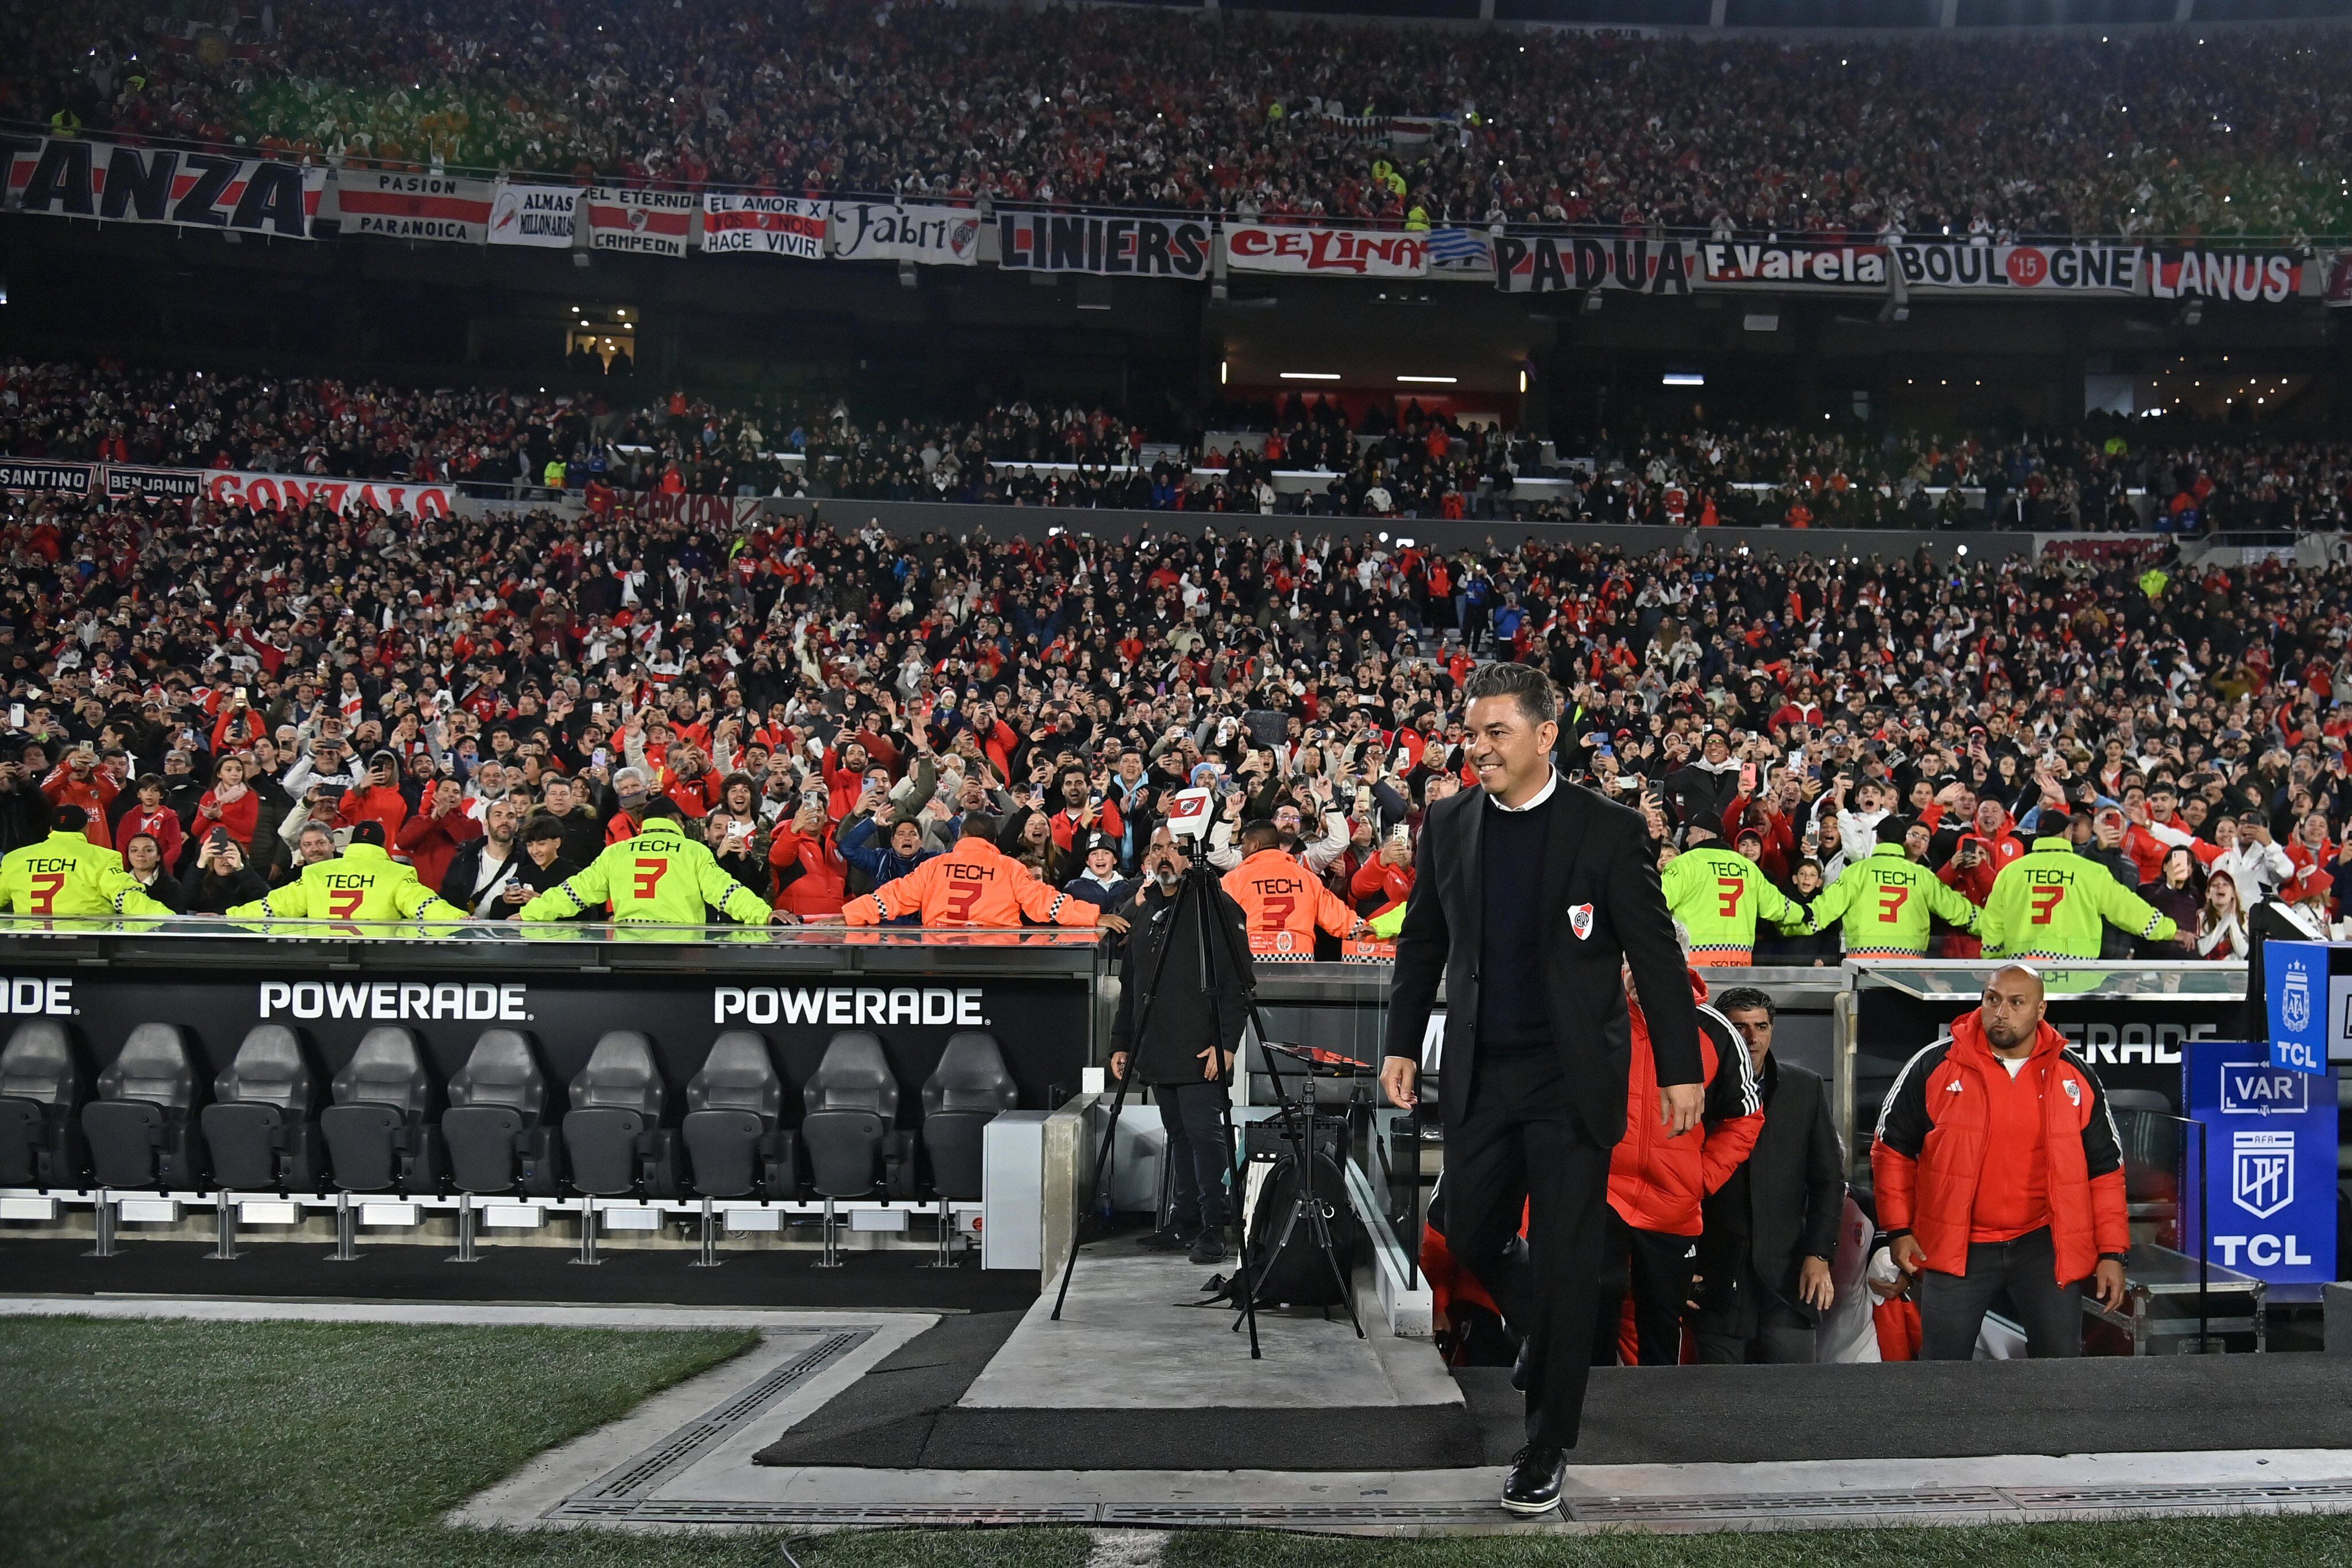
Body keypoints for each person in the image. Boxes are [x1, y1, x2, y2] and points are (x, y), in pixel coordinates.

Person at [1380, 663, 1703, 1517]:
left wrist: (1680, 1066)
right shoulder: (1447, 823)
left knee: (1566, 1264)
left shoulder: (1607, 829)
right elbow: (1421, 945)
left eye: (1495, 733)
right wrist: (1401, 1044)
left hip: (1572, 1081)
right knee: (1467, 1225)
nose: (1477, 747)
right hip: (1482, 1073)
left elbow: (1656, 955)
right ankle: (1538, 1328)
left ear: (1544, 736)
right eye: (1472, 732)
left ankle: (1546, 1441)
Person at [1871, 964, 2129, 1360]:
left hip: (2044, 1246)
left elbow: (2106, 1171)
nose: (2000, 1011)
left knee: (2060, 1370)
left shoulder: (2073, 1074)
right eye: (1992, 999)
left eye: (2016, 1002)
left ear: (2040, 1009)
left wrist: (2112, 1253)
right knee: (1940, 1375)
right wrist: (1899, 1229)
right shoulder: (1935, 1064)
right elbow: (1892, 1151)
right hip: (1958, 1246)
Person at [1598, 963, 1761, 1366]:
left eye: (1648, 960)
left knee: (1661, 1328)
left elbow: (1746, 1117)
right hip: (1602, 1195)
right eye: (1631, 963)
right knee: (1592, 1312)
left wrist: (1700, 1178)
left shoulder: (1716, 1031)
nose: (1639, 974)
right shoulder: (1596, 1013)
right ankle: (1582, 1421)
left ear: (1679, 963)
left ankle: (1656, 1420)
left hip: (1672, 1207)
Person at [1108, 826, 1252, 1267]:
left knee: (1206, 1139)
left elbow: (1240, 981)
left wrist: (1225, 1045)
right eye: (1157, 848)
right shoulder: (1146, 910)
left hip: (1199, 1051)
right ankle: (1185, 1220)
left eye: (1174, 848)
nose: (1165, 855)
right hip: (1156, 1050)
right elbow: (1131, 986)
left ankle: (1214, 1227)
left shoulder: (1217, 906)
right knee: (1181, 1137)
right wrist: (1121, 1042)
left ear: (1191, 856)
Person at [1693, 986, 1846, 1365]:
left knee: (1792, 1404)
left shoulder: (1804, 1087)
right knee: (1718, 1404)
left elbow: (1828, 1180)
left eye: (1761, 1026)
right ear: (1720, 1031)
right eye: (1739, 1026)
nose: (1751, 1037)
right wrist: (1682, 1266)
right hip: (1717, 1279)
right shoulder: (1692, 1092)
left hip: (1788, 1276)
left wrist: (1819, 1253)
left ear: (1772, 1029)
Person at [519, 798, 787, 925]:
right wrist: (764, 914)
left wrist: (527, 914)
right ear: (674, 821)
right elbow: (727, 893)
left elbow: (573, 893)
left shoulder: (617, 852)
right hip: (681, 953)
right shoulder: (693, 851)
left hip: (630, 952)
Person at [839, 815, 1128, 933]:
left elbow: (890, 898)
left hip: (939, 961)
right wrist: (1094, 916)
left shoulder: (934, 866)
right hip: (997, 963)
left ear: (962, 835)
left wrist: (847, 916)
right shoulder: (1010, 867)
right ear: (993, 839)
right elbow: (1047, 904)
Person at [1979, 807, 2176, 962]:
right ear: (2067, 833)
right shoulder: (2090, 871)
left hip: (2024, 969)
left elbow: (1993, 923)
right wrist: (2169, 929)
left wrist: (1992, 961)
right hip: (2078, 971)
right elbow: (2128, 909)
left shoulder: (2010, 873)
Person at [226, 820, 469, 928]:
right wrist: (460, 919)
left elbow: (273, 906)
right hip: (377, 964)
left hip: (324, 962)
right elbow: (424, 906)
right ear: (383, 846)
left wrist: (230, 916)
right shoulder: (397, 873)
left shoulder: (316, 873)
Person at [1806, 816, 1984, 959]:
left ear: (1877, 839)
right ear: (1903, 841)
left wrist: (1789, 919)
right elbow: (1956, 909)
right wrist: (1993, 926)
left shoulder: (1857, 872)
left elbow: (1823, 910)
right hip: (1909, 966)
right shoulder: (1921, 875)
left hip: (1863, 964)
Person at [1658, 817, 1812, 965]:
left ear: (1702, 834)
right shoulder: (1748, 867)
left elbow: (1658, 902)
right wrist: (1804, 913)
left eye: (1690, 834)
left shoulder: (1684, 864)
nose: (1687, 839)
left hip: (1694, 961)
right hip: (1739, 961)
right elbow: (1776, 906)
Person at [1222, 817, 1367, 959]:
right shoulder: (1307, 878)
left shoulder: (1234, 880)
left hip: (1252, 962)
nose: (1241, 848)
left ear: (1255, 845)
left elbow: (1213, 924)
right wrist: (1378, 933)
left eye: (1244, 843)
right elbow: (1343, 921)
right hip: (1299, 962)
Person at [0, 801, 173, 917]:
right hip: (85, 949)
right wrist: (171, 921)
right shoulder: (102, 858)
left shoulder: (14, 859)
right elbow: (127, 898)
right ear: (87, 829)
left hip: (27, 949)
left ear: (52, 829)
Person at [439, 797, 531, 918]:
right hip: (464, 930)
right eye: (498, 815)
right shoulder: (465, 858)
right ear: (486, 823)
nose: (505, 821)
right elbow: (447, 898)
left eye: (510, 816)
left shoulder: (528, 862)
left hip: (506, 932)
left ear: (517, 825)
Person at [184, 831, 271, 915]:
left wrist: (241, 868)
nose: (225, 859)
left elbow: (265, 902)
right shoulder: (201, 879)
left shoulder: (249, 878)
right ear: (212, 860)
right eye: (219, 855)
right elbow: (186, 902)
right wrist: (201, 863)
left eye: (230, 854)